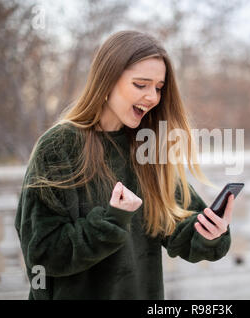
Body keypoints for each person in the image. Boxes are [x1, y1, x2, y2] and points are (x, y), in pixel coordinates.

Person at [15, 30, 235, 300]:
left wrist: (210, 232)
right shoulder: (58, 147)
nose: (153, 97)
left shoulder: (147, 147)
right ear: (106, 81)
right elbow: (42, 254)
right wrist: (112, 221)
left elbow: (180, 230)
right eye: (141, 85)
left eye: (158, 87)